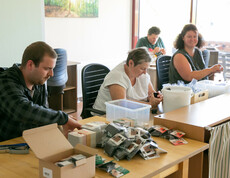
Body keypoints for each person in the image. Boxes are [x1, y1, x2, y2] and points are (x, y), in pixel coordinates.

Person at [0, 41, 81, 141]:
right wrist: (63, 118)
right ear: (30, 65)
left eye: (52, 69)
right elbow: (22, 110)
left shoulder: (38, 81)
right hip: (7, 145)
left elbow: (42, 114)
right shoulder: (5, 81)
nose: (51, 74)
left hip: (30, 141)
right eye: (47, 68)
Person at [93, 47, 163, 112]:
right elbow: (122, 104)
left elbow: (151, 93)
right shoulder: (117, 76)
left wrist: (156, 97)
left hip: (133, 113)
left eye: (146, 69)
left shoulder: (141, 74)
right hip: (106, 115)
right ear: (131, 63)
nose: (145, 72)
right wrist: (149, 104)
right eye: (142, 68)